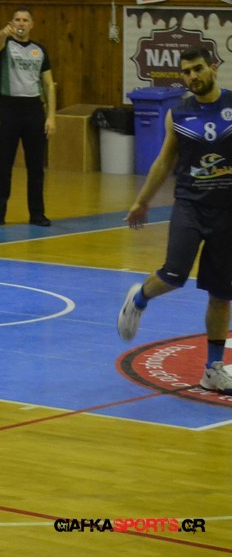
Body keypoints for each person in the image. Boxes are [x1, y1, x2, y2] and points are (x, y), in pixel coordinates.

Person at [118, 47, 232, 395]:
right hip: (190, 205)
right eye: (186, 72)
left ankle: (213, 370)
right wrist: (142, 202)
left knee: (221, 293)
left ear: (213, 68)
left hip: (227, 211)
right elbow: (164, 162)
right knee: (174, 274)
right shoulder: (178, 113)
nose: (192, 76)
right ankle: (139, 298)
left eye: (198, 69)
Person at [0, 7, 56, 227]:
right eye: (17, 19)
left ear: (31, 25)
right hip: (9, 108)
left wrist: (51, 116)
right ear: (12, 23)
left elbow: (48, 84)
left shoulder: (39, 50)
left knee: (35, 166)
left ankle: (37, 213)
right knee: (3, 164)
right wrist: (2, 33)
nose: (21, 23)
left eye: (25, 20)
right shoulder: (4, 45)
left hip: (33, 109)